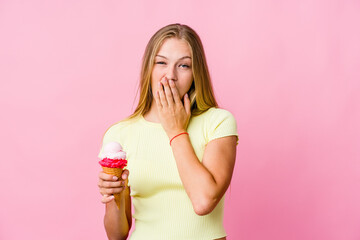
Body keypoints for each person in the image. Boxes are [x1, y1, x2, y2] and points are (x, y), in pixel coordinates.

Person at [97, 23, 238, 240]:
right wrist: (115, 195)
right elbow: (117, 235)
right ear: (148, 69)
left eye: (184, 66)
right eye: (161, 63)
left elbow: (203, 201)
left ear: (195, 73)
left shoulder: (218, 122)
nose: (170, 75)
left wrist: (175, 130)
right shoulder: (120, 134)